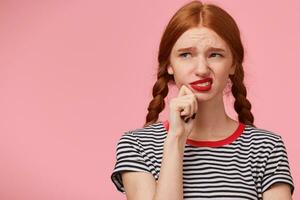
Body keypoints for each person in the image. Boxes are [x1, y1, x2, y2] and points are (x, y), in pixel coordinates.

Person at [110, 1, 295, 199]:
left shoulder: (267, 147)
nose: (201, 69)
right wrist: (176, 140)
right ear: (169, 65)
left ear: (233, 64)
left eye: (215, 54)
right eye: (186, 55)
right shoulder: (137, 145)